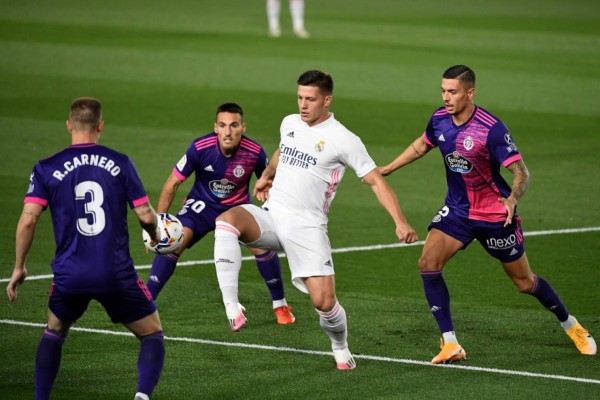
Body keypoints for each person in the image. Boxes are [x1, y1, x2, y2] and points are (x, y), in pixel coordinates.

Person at [379, 65, 597, 364]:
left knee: (525, 283)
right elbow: (421, 145)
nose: (446, 97)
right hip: (457, 211)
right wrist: (389, 168)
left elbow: (521, 172)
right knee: (428, 263)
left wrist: (512, 199)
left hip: (494, 215)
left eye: (452, 91)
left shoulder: (491, 128)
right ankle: (451, 343)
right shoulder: (439, 119)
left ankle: (572, 325)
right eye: (443, 90)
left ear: (470, 93)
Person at [213, 70, 418, 369]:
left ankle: (340, 346)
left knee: (324, 303)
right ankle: (232, 305)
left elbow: (376, 181)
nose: (303, 105)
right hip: (272, 214)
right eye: (299, 98)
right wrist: (267, 176)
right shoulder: (290, 122)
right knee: (227, 221)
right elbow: (284, 150)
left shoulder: (344, 139)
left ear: (327, 100)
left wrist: (400, 221)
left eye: (310, 99)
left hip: (307, 227)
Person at [6, 97, 165, 400]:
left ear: (69, 125)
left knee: (54, 331)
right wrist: (155, 234)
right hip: (115, 274)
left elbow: (27, 221)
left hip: (70, 274)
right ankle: (142, 396)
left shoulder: (46, 168)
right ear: (100, 126)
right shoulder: (120, 162)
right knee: (152, 334)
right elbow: (145, 215)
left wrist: (19, 267)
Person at [146, 102, 295, 326]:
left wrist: (272, 204)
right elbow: (171, 185)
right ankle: (146, 304)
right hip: (201, 207)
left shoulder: (254, 152)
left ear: (243, 127)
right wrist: (159, 226)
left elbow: (270, 181)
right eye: (223, 125)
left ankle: (280, 305)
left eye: (234, 125)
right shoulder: (199, 148)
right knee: (174, 243)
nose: (228, 131)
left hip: (236, 210)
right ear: (215, 127)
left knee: (262, 247)